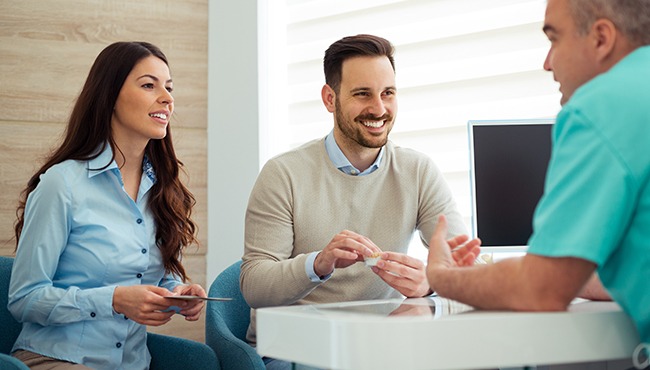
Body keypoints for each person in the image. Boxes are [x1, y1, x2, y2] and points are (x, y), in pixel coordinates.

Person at [426, 0, 650, 367]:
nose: (548, 63)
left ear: (601, 38)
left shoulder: (602, 106)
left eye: (555, 40)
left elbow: (542, 290)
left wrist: (441, 276)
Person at [240, 34, 478, 364]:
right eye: (363, 94)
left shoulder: (418, 171)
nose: (379, 109)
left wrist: (430, 284)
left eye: (388, 93)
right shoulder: (283, 174)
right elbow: (254, 286)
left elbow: (471, 270)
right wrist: (317, 264)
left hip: (383, 348)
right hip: (299, 351)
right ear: (329, 98)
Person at [8, 41, 207, 370]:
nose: (167, 99)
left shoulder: (165, 191)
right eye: (149, 85)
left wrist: (178, 293)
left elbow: (155, 280)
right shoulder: (63, 184)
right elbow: (24, 298)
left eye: (169, 88)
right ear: (110, 95)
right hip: (55, 358)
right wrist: (113, 300)